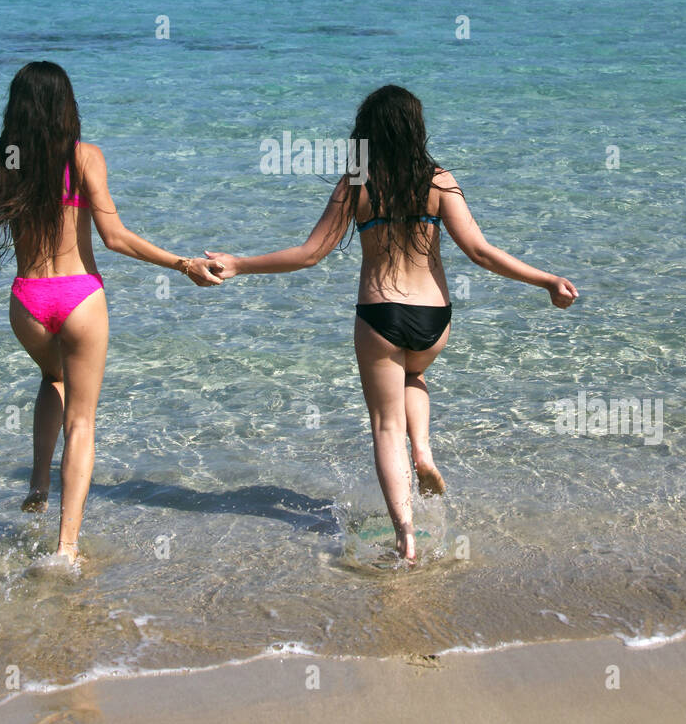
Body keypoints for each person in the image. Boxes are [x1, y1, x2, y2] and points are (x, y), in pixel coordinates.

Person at [206, 84, 578, 563]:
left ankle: (405, 535)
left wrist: (239, 264)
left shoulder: (356, 184)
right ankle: (422, 450)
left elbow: (309, 254)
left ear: (368, 132)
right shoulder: (439, 182)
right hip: (433, 319)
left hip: (380, 315)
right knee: (414, 375)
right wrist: (547, 280)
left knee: (385, 426)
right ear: (415, 129)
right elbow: (481, 252)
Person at [0, 61, 221, 564]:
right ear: (66, 106)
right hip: (79, 296)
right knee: (81, 422)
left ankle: (38, 484)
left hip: (28, 301)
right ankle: (66, 548)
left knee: (50, 377)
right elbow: (115, 238)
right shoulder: (84, 157)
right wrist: (183, 263)